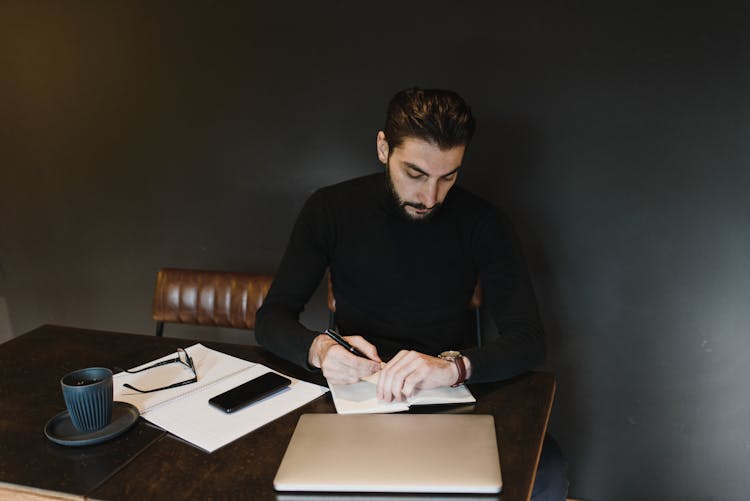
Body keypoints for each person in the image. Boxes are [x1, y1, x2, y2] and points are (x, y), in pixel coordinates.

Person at [256, 87, 567, 500]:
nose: (430, 197)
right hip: (358, 392)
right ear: (384, 148)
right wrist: (321, 352)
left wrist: (453, 367)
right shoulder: (329, 209)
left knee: (546, 469)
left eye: (448, 176)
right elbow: (271, 318)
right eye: (416, 174)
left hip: (448, 391)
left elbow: (529, 340)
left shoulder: (485, 223)